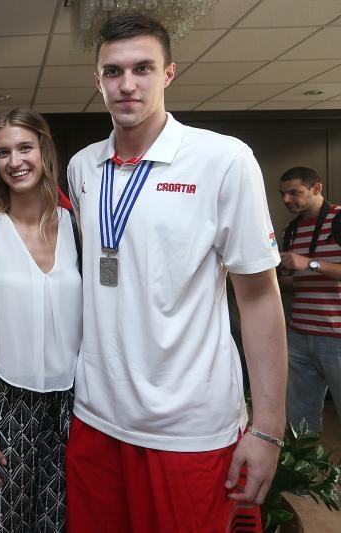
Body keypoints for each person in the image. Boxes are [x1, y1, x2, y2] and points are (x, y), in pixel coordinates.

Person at [65, 13, 287, 533]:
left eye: (142, 68)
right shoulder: (82, 168)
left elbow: (257, 297)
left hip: (189, 427)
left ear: (168, 73)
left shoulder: (223, 161)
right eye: (112, 71)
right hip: (96, 417)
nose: (127, 84)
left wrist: (269, 427)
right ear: (97, 81)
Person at [0, 108, 82, 532]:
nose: (15, 160)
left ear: (44, 151)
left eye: (24, 147)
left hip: (68, 402)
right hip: (1, 396)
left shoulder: (75, 224)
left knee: (56, 523)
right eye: (3, 152)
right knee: (3, 524)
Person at [278, 166, 341, 433]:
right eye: (283, 194)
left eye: (295, 192)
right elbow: (297, 285)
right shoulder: (290, 231)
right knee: (298, 423)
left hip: (337, 336)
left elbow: (309, 267)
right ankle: (306, 476)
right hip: (300, 336)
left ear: (317, 188)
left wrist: (310, 263)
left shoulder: (338, 219)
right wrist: (277, 277)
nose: (287, 200)